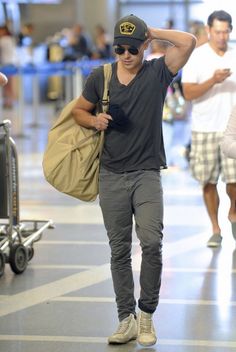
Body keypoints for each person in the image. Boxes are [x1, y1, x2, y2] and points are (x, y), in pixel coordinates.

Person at [72, 14, 196, 346]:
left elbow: (188, 42)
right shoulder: (102, 76)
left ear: (144, 46)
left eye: (133, 48)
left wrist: (150, 32)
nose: (126, 54)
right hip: (111, 174)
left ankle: (146, 315)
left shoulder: (158, 73)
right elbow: (78, 111)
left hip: (146, 173)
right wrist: (94, 119)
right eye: (120, 48)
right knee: (119, 251)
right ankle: (125, 318)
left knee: (153, 242)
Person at [181, 10, 236, 248]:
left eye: (226, 31)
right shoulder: (196, 57)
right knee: (208, 181)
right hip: (203, 128)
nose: (222, 36)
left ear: (230, 31)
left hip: (232, 130)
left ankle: (233, 212)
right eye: (217, 32)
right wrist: (213, 80)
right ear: (208, 30)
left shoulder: (235, 55)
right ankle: (215, 228)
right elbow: (188, 93)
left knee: (234, 182)